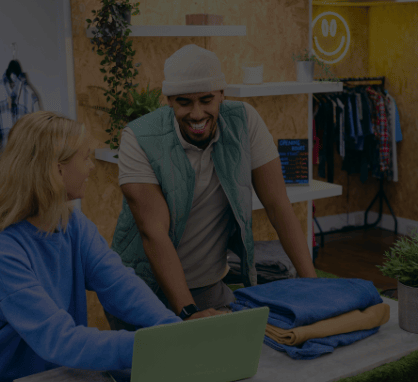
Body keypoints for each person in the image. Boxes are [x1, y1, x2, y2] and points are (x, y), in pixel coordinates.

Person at [0, 111, 182, 382]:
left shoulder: (73, 225)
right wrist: (149, 345)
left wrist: (171, 329)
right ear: (56, 171)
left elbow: (119, 285)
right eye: (85, 158)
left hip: (43, 378)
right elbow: (58, 338)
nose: (91, 167)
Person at [105, 44, 317, 329]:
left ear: (221, 95)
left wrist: (314, 286)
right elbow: (153, 232)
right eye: (184, 102)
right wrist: (188, 313)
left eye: (206, 100)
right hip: (142, 292)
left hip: (209, 287)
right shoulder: (139, 138)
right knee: (152, 373)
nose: (196, 113)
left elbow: (278, 206)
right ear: (168, 100)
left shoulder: (244, 122)